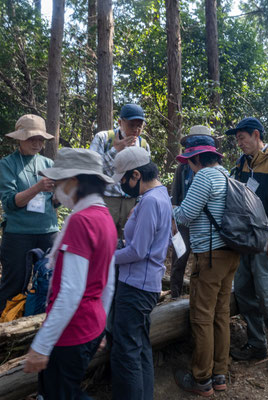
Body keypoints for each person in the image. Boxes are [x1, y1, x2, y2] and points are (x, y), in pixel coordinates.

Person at [23, 148, 117, 400]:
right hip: (92, 324)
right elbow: (109, 282)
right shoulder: (104, 216)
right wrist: (101, 326)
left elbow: (71, 291)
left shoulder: (81, 221)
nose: (56, 190)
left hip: (72, 331)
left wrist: (41, 345)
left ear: (74, 182)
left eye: (59, 182)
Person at [172, 140, 240, 396]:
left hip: (211, 256)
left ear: (198, 159)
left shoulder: (205, 177)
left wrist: (170, 208)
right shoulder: (227, 175)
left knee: (201, 315)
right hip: (232, 253)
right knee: (221, 313)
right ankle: (219, 374)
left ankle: (201, 379)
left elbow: (185, 215)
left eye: (189, 162)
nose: (188, 167)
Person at [226, 117, 268, 373]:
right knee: (243, 290)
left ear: (256, 135)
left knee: (267, 293)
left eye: (242, 138)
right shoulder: (242, 163)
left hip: (266, 239)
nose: (239, 143)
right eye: (237, 139)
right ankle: (257, 343)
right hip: (244, 240)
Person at [108, 147, 172, 400]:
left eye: (123, 179)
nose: (123, 185)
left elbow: (138, 251)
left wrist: (107, 257)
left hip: (136, 285)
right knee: (140, 347)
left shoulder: (150, 201)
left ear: (136, 175)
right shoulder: (161, 196)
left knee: (126, 352)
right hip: (145, 284)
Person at [0, 114, 59, 322]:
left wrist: (60, 192)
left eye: (41, 140)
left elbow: (55, 203)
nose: (37, 144)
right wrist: (38, 186)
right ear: (20, 138)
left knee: (50, 280)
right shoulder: (7, 165)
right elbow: (12, 202)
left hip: (48, 231)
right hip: (18, 234)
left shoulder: (48, 162)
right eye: (32, 139)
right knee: (15, 283)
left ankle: (39, 324)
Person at [170, 125, 221, 299]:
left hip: (206, 224)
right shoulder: (182, 168)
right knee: (179, 259)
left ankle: (193, 295)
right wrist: (174, 220)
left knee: (201, 264)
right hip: (184, 219)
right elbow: (176, 195)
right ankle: (175, 293)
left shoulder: (214, 172)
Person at [90, 103, 150, 237]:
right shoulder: (103, 138)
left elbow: (146, 179)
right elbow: (92, 169)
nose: (136, 129)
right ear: (120, 122)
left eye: (139, 125)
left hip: (131, 203)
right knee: (102, 240)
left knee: (127, 242)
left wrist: (139, 205)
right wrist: (116, 150)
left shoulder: (144, 145)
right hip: (106, 200)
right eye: (131, 125)